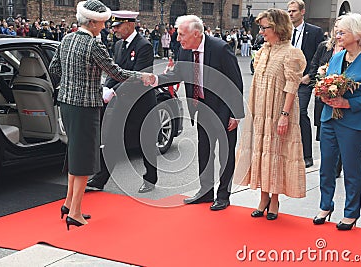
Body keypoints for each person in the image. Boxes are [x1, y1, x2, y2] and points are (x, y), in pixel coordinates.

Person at [49, 0, 146, 230]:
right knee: (83, 160)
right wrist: (142, 77)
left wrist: (70, 84)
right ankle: (74, 212)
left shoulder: (67, 38)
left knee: (74, 154)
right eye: (102, 23)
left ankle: (68, 203)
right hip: (85, 106)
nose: (104, 27)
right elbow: (116, 72)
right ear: (92, 22)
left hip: (67, 103)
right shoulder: (93, 44)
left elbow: (54, 69)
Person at [143, 15, 245, 211]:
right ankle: (206, 192)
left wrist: (236, 114)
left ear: (196, 34)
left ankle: (223, 195)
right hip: (201, 107)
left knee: (225, 154)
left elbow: (236, 82)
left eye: (182, 34)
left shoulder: (220, 48)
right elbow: (177, 74)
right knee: (205, 152)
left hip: (223, 110)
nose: (178, 38)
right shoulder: (184, 50)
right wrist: (155, 79)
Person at [234, 8, 307, 220]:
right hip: (260, 112)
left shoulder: (291, 53)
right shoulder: (263, 51)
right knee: (260, 151)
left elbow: (292, 86)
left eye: (265, 27)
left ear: (277, 27)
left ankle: (274, 199)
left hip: (278, 112)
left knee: (275, 153)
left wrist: (284, 115)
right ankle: (263, 196)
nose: (261, 31)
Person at [313, 13, 361, 230]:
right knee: (327, 166)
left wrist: (347, 103)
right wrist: (323, 93)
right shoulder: (337, 57)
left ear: (357, 34)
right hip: (329, 118)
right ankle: (325, 205)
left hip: (353, 122)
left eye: (342, 31)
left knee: (351, 168)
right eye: (336, 31)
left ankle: (351, 213)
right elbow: (328, 82)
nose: (337, 35)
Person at [87, 10, 159, 194]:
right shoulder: (119, 45)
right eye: (114, 27)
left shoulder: (144, 46)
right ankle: (100, 179)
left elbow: (138, 77)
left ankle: (150, 179)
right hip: (122, 102)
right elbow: (115, 71)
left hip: (141, 103)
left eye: (118, 26)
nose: (115, 30)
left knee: (146, 143)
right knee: (110, 139)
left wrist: (113, 91)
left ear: (130, 24)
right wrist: (105, 87)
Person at [288, 0, 324, 168]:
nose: (290, 14)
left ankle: (307, 155)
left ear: (302, 12)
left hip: (304, 80)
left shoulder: (315, 32)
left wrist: (310, 75)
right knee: (284, 114)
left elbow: (319, 56)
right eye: (289, 11)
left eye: (294, 11)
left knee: (301, 113)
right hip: (286, 79)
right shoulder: (285, 31)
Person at [309, 17, 344, 177]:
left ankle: (337, 166)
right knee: (324, 131)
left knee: (341, 134)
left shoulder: (350, 51)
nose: (338, 31)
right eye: (336, 27)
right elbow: (315, 65)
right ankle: (328, 163)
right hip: (323, 97)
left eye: (342, 28)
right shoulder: (325, 47)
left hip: (342, 99)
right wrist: (317, 80)